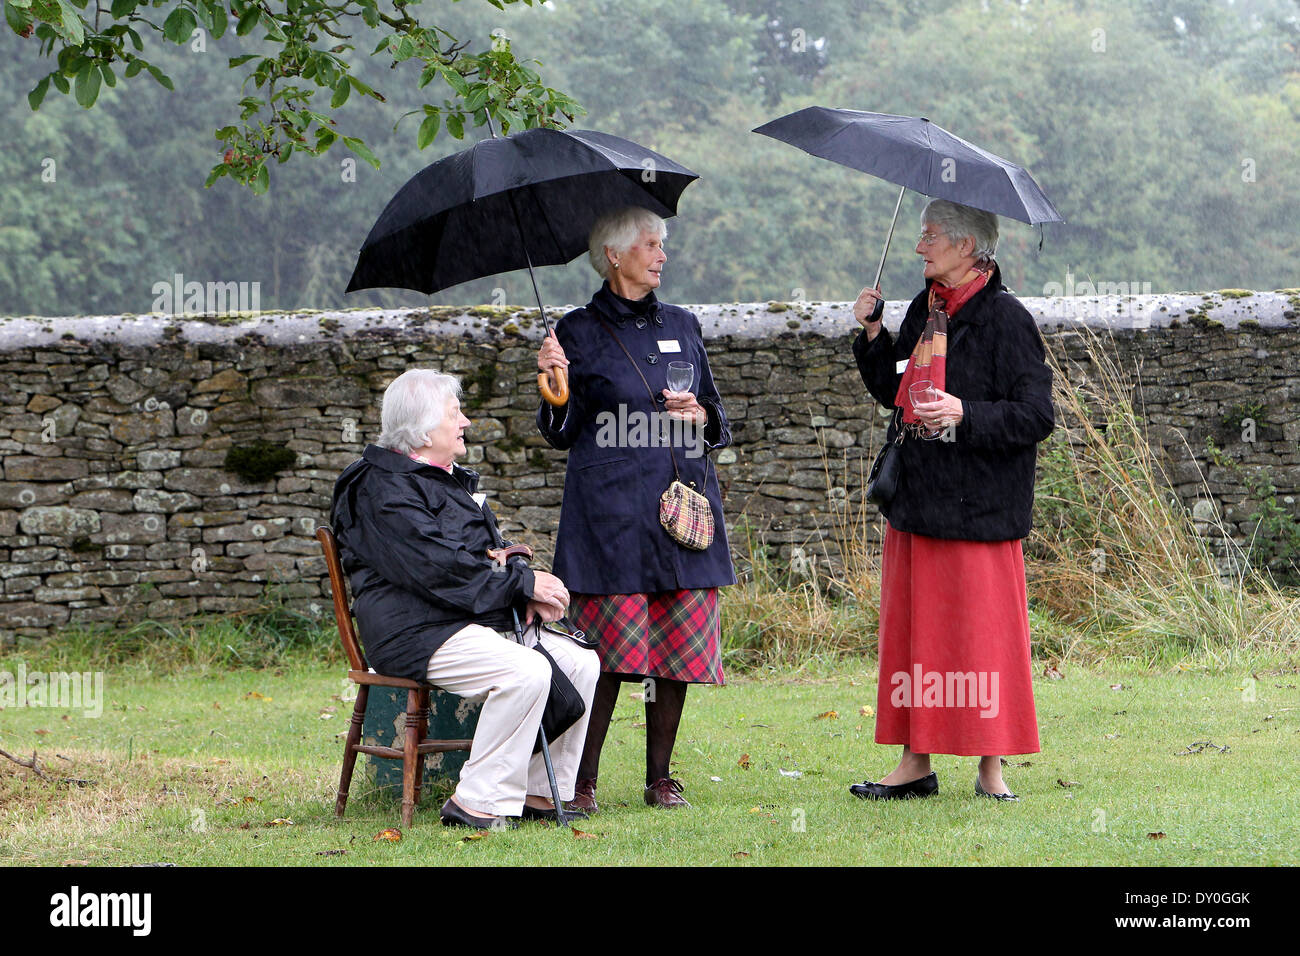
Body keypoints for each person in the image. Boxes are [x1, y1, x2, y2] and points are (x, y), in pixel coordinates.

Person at [330, 369, 599, 828]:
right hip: (414, 633)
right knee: (526, 670)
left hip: (464, 621)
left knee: (580, 662)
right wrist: (520, 586)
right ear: (421, 428)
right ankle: (477, 802)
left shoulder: (444, 478)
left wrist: (522, 586)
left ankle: (536, 792)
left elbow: (484, 555)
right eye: (455, 414)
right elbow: (436, 567)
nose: (467, 422)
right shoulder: (379, 488)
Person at [850, 199, 1054, 802]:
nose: (920, 247)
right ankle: (915, 764)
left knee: (980, 638)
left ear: (968, 247)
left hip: (981, 511)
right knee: (918, 637)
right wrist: (872, 334)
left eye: (931, 236)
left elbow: (1037, 415)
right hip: (918, 499)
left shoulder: (1008, 319)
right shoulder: (924, 309)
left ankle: (991, 769)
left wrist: (965, 413)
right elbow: (895, 390)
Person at [535, 206, 735, 810]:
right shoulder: (576, 332)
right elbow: (559, 429)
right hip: (612, 517)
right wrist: (553, 383)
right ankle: (582, 782)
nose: (662, 255)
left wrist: (699, 417)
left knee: (672, 655)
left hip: (682, 509)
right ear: (615, 256)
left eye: (662, 245)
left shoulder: (683, 322)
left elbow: (717, 423)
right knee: (611, 658)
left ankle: (659, 778)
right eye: (650, 245)